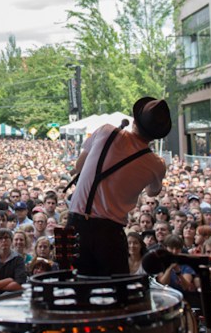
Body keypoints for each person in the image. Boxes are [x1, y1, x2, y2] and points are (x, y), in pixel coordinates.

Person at [66, 96, 171, 275]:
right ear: (156, 135)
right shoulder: (156, 165)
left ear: (134, 121)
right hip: (108, 233)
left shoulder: (106, 131)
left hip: (75, 226)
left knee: (75, 287)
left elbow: (78, 167)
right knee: (115, 291)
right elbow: (153, 192)